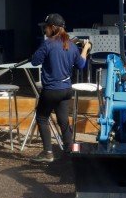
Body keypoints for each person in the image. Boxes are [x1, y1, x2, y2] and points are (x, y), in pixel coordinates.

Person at [29, 13, 91, 163]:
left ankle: (48, 153)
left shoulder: (48, 44)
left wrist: (42, 49)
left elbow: (34, 61)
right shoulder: (71, 45)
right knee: (63, 121)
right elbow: (81, 65)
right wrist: (85, 49)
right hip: (66, 90)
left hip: (51, 90)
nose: (45, 30)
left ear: (53, 28)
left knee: (42, 117)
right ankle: (70, 151)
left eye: (46, 27)